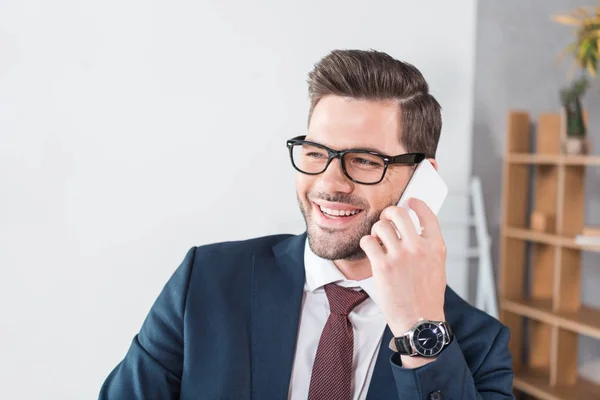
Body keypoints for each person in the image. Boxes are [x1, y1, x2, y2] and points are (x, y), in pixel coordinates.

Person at [98, 49, 514, 400]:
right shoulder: (205, 281)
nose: (330, 183)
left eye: (366, 161)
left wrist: (420, 332)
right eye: (316, 152)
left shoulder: (478, 346)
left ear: (423, 180)